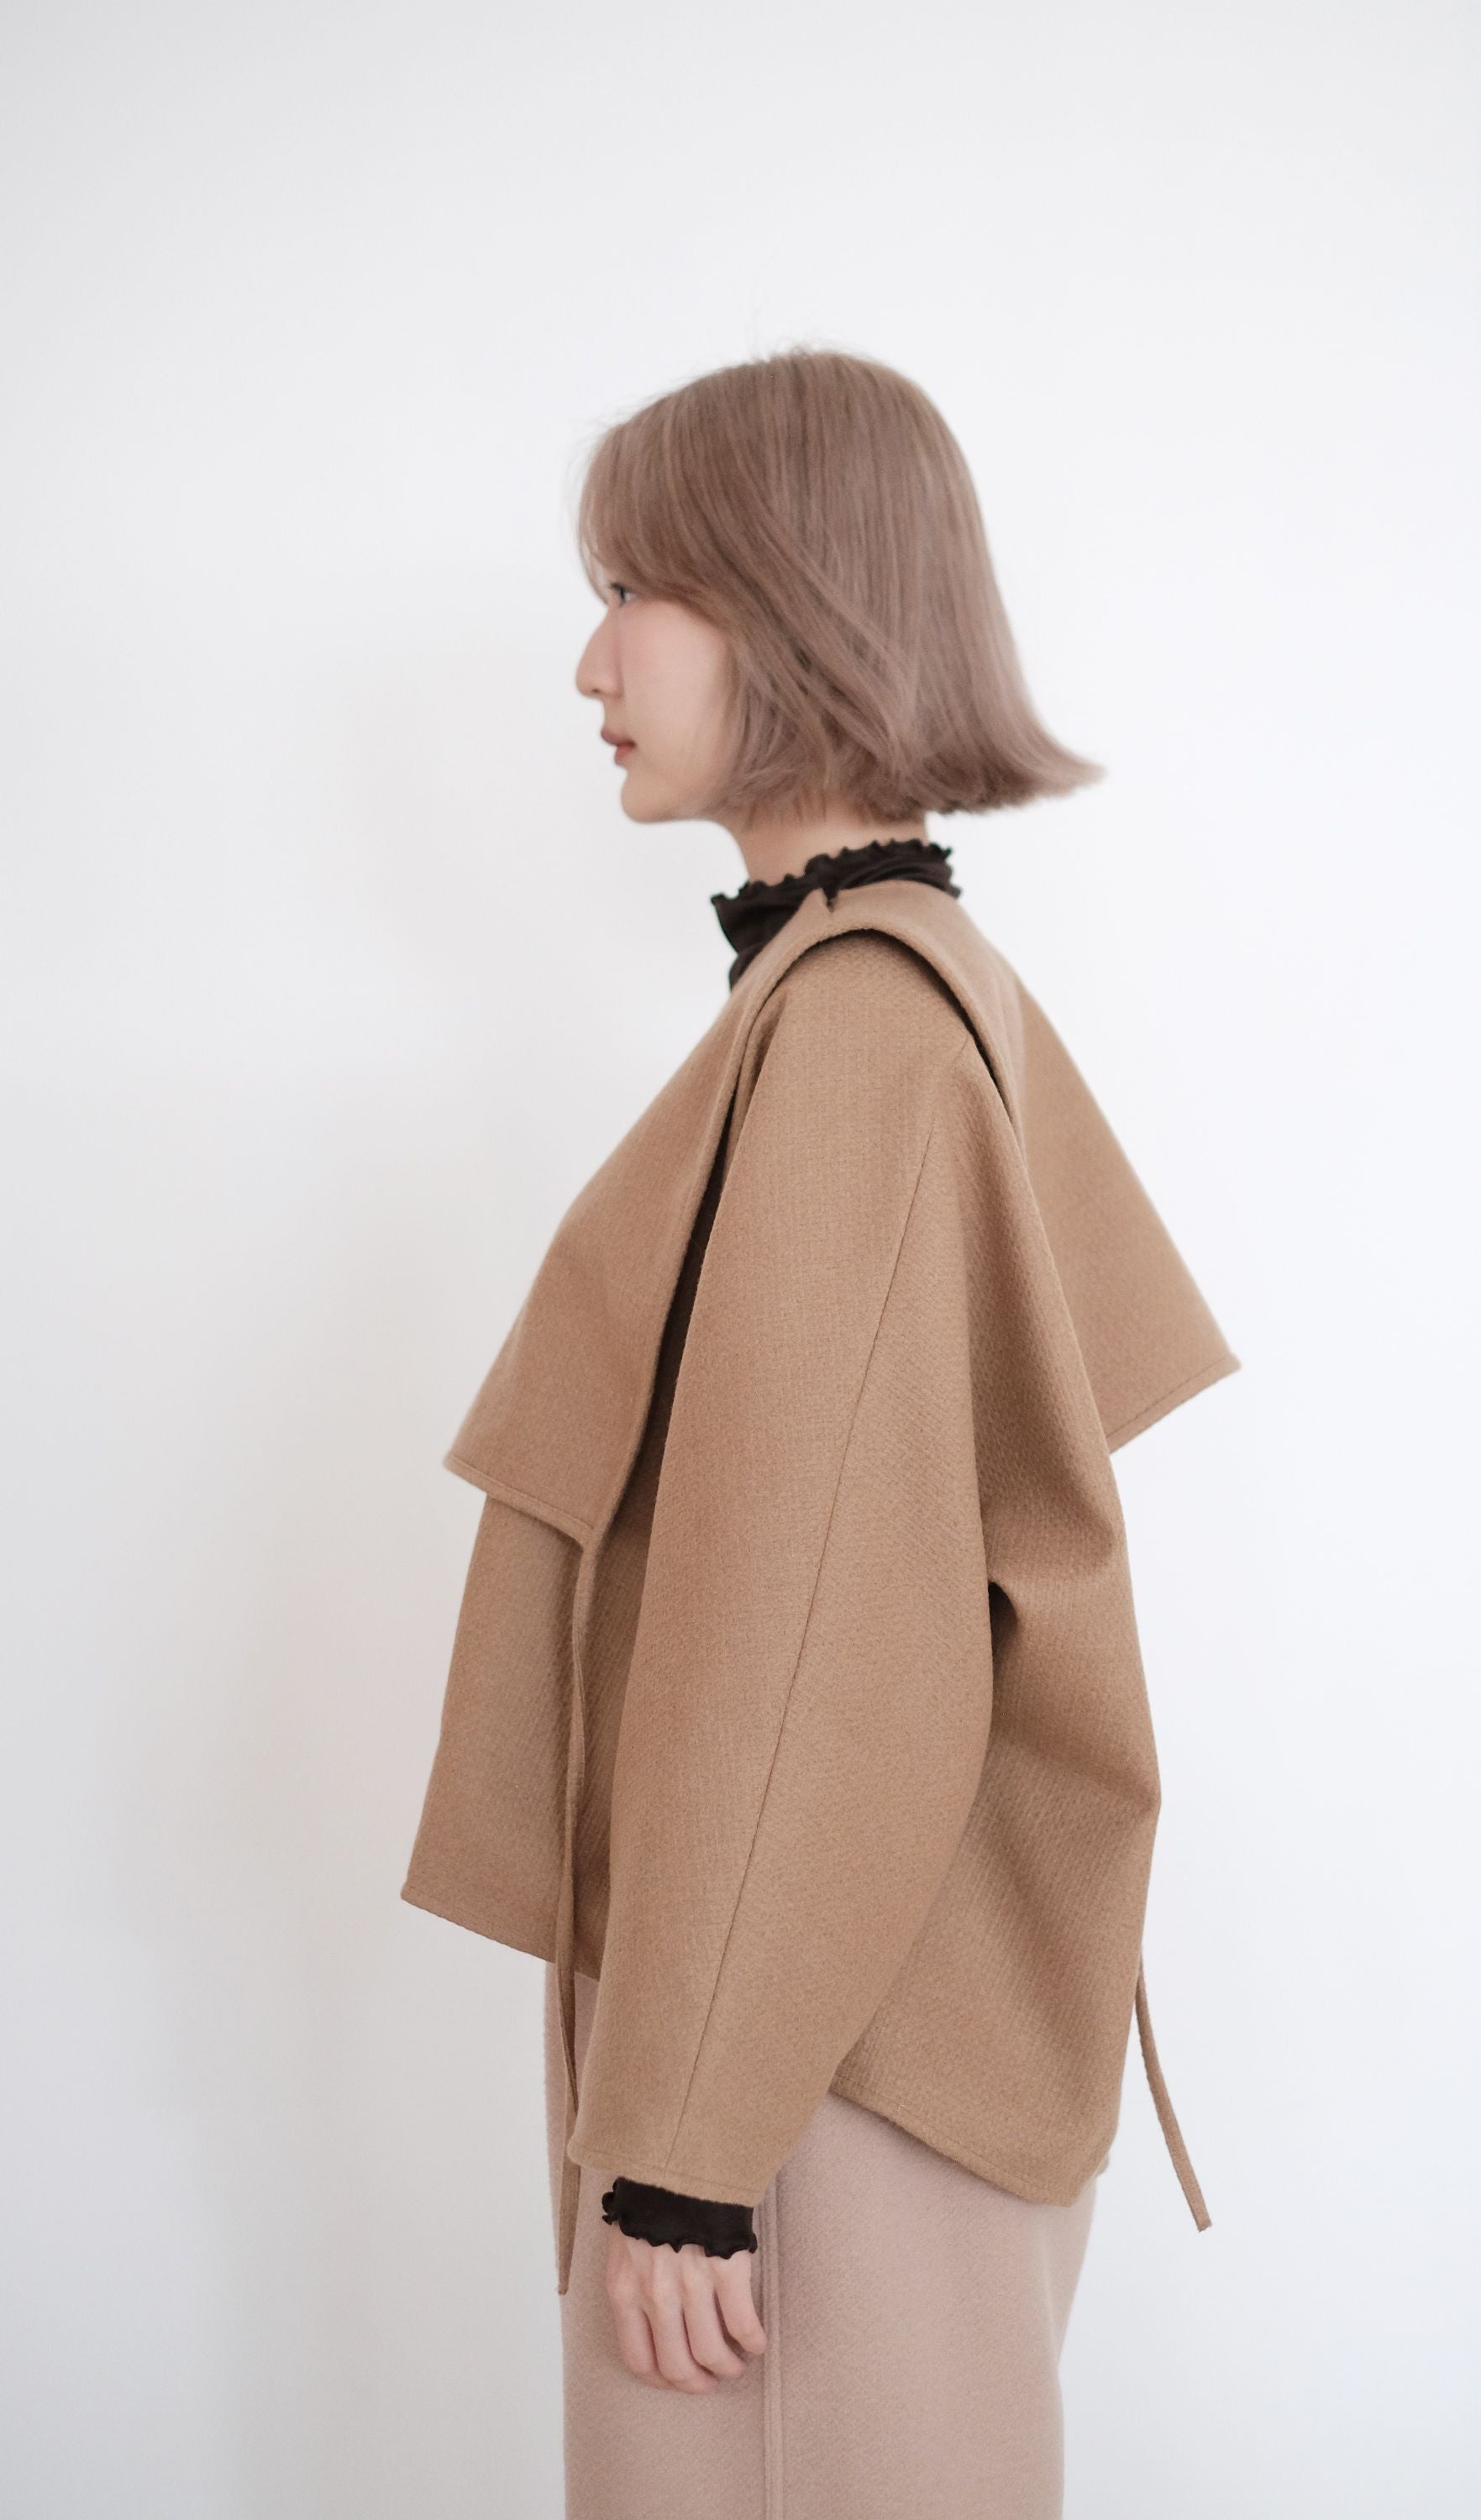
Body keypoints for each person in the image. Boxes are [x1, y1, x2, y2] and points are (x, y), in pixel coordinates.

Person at [402, 347, 1238, 2518]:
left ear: (791, 607)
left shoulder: (855, 1036)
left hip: (810, 2087)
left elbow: (806, 1646)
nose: (591, 662)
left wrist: (685, 2144)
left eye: (637, 592)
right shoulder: (909, 982)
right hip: (861, 2042)